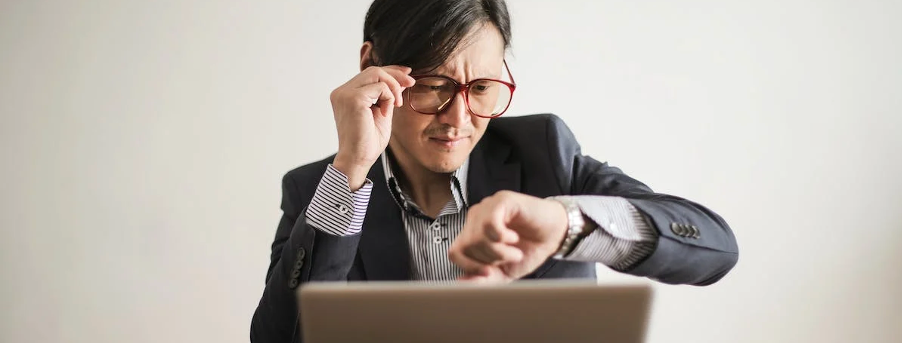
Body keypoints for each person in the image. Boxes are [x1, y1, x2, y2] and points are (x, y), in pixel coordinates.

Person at [250, 0, 739, 342]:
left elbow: (713, 248)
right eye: (433, 85)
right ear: (372, 68)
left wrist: (566, 227)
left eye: (482, 87)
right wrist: (352, 171)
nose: (458, 120)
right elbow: (279, 339)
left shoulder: (545, 152)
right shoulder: (317, 190)